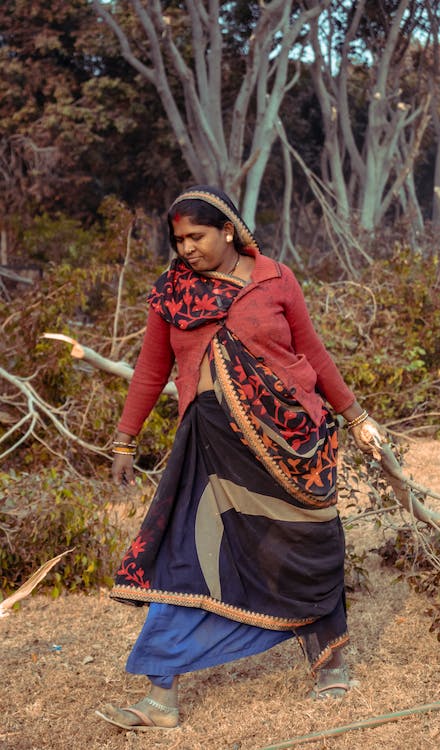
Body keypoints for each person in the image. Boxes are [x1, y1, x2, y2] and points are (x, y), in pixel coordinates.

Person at [95, 185, 384, 732]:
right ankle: (161, 697)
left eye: (197, 237)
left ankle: (331, 665)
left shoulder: (275, 278)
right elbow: (150, 371)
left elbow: (313, 351)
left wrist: (356, 415)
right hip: (208, 446)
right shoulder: (172, 294)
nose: (187, 250)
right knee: (185, 556)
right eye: (178, 240)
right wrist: (124, 440)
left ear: (228, 230)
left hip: (291, 442)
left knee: (305, 544)